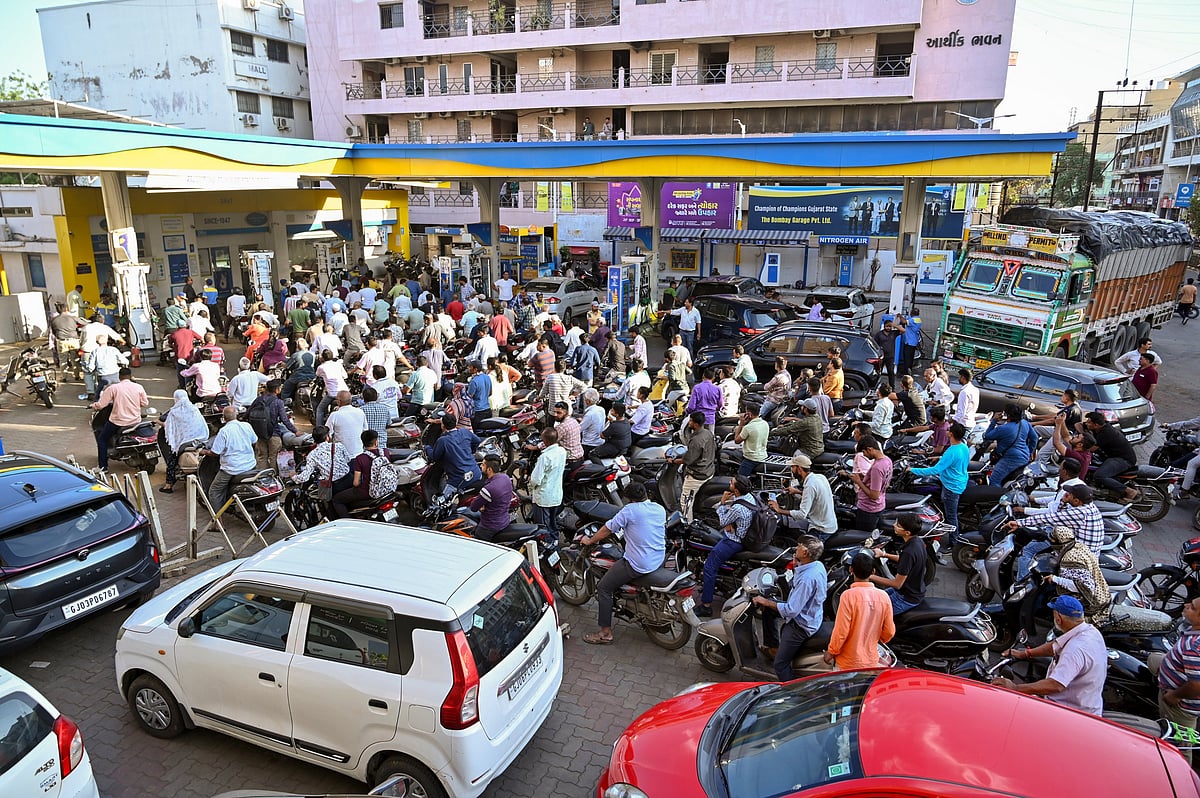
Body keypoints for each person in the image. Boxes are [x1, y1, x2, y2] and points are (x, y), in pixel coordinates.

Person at [581, 481, 667, 645]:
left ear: (630, 499)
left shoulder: (630, 510)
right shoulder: (659, 508)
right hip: (658, 558)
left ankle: (605, 633)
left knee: (604, 588)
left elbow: (608, 529)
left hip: (639, 563)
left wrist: (590, 540)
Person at [993, 595, 1107, 717]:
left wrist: (1015, 688)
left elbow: (1056, 685)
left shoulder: (1074, 650)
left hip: (1068, 713)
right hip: (1088, 706)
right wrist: (1025, 654)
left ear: (1058, 618)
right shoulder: (1090, 632)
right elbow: (1055, 645)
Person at [752, 536, 828, 681]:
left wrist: (766, 601)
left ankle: (791, 690)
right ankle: (773, 648)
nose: (796, 548)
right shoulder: (817, 565)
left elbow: (791, 610)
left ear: (805, 553)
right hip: (809, 612)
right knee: (769, 611)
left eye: (799, 546)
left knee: (780, 665)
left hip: (801, 624)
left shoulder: (807, 579)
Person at [824, 550, 896, 670]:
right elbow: (889, 631)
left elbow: (841, 632)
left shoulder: (848, 596)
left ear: (851, 570)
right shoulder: (883, 596)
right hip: (871, 660)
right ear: (873, 571)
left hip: (847, 662)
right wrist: (873, 639)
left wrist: (831, 653)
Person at [697, 475, 756, 617]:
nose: (729, 483)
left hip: (733, 541)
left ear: (736, 490)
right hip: (742, 534)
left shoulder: (738, 507)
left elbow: (723, 521)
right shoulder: (749, 498)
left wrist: (722, 503)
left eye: (732, 483)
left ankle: (706, 605)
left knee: (709, 567)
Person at [1153, 596, 1200, 762]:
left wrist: (1174, 696)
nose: (1186, 605)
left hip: (1182, 707)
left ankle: (1179, 776)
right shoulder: (1192, 632)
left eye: (1192, 607)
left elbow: (1196, 685)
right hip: (1175, 682)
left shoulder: (1194, 645)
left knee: (1180, 744)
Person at [910, 421, 969, 543]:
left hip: (951, 487)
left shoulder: (952, 451)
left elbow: (935, 470)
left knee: (951, 516)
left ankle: (954, 542)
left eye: (948, 431)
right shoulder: (963, 446)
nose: (946, 431)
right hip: (959, 481)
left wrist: (912, 470)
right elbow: (954, 461)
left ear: (950, 434)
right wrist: (939, 458)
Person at [1011, 482, 1104, 556]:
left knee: (1027, 551)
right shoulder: (1092, 508)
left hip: (1079, 558)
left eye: (1070, 494)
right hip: (1082, 552)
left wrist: (1019, 523)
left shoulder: (1081, 513)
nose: (1067, 494)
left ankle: (1022, 579)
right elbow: (1061, 517)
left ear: (1076, 501)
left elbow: (1050, 518)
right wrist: (1063, 502)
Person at [90, 368, 149, 470]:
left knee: (102, 439)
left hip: (118, 421)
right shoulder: (139, 387)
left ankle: (103, 467)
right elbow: (145, 403)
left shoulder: (113, 388)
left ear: (119, 377)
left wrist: (93, 405)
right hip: (135, 421)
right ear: (130, 376)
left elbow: (101, 405)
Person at [869, 514, 927, 615]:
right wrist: (883, 554)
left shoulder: (909, 552)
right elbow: (904, 560)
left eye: (898, 525)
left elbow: (897, 584)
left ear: (907, 533)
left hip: (905, 597)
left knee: (874, 614)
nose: (894, 525)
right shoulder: (918, 541)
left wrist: (869, 576)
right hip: (910, 590)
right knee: (875, 597)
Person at [202, 406, 259, 511]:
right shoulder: (247, 426)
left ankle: (218, 522)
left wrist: (204, 452)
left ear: (223, 418)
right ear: (236, 415)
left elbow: (215, 452)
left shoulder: (224, 431)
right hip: (250, 465)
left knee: (214, 491)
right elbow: (254, 441)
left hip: (231, 469)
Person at [768, 453, 837, 536]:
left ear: (799, 469)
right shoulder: (820, 477)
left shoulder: (810, 485)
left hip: (821, 530)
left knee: (801, 547)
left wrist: (779, 510)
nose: (792, 470)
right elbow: (816, 494)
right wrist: (797, 492)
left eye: (793, 467)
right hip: (830, 524)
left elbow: (801, 515)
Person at [158, 389, 210, 493]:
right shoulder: (194, 409)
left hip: (185, 442)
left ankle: (168, 485)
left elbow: (169, 427)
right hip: (200, 439)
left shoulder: (174, 412)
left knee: (172, 457)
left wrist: (158, 422)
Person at [1084, 410, 1140, 502]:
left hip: (1123, 459)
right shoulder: (1100, 427)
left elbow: (1092, 448)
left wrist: (1075, 446)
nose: (1087, 424)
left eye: (1089, 422)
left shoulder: (1106, 433)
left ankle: (1130, 491)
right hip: (1112, 456)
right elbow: (1078, 425)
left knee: (1099, 475)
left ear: (1096, 425)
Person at [843, 436, 892, 531]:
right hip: (880, 505)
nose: (864, 456)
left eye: (864, 452)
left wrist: (858, 482)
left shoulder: (877, 467)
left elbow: (874, 495)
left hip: (868, 509)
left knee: (864, 536)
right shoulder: (887, 461)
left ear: (870, 449)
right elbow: (886, 484)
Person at [427, 414, 482, 498]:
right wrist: (470, 451)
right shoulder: (465, 432)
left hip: (459, 479)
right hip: (476, 473)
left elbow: (434, 457)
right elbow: (477, 441)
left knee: (442, 503)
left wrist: (427, 448)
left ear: (443, 426)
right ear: (456, 423)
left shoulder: (443, 440)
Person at [983, 403, 1038, 486]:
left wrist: (994, 420)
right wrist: (1029, 451)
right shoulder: (1025, 423)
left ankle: (996, 497)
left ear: (1007, 415)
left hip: (1010, 459)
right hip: (1025, 457)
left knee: (994, 480)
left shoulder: (1003, 428)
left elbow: (987, 436)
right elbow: (1034, 438)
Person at [250, 378, 300, 469]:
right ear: (277, 389)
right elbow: (284, 419)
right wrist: (295, 431)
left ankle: (263, 478)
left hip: (260, 434)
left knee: (262, 457)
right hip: (274, 434)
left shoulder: (258, 399)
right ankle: (274, 478)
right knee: (274, 457)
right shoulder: (278, 402)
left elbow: (247, 414)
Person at [676, 411, 717, 521]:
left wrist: (674, 461)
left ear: (696, 424)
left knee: (685, 501)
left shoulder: (696, 440)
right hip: (709, 470)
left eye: (690, 421)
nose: (689, 422)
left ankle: (687, 523)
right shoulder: (708, 433)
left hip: (697, 475)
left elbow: (688, 460)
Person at [529, 426, 566, 544]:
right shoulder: (562, 451)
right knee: (552, 522)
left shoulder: (545, 457)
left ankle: (549, 546)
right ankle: (555, 541)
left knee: (544, 526)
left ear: (544, 441)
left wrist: (531, 484)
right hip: (556, 495)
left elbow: (535, 480)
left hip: (543, 498)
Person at [85, 334, 130, 401]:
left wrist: (89, 368)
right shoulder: (113, 349)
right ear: (107, 341)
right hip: (115, 375)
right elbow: (124, 361)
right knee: (120, 392)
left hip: (103, 376)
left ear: (97, 342)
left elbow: (91, 367)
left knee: (99, 396)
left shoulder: (95, 352)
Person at [327, 390, 369, 458]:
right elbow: (365, 430)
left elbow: (327, 434)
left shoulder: (334, 415)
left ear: (338, 401)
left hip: (341, 455)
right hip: (358, 452)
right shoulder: (360, 412)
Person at [733, 409, 768, 478]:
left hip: (751, 459)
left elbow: (736, 441)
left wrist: (741, 424)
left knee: (739, 480)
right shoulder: (765, 423)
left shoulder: (748, 428)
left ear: (749, 414)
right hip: (763, 455)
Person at [465, 359, 493, 428]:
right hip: (487, 409)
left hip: (478, 412)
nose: (468, 368)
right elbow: (490, 393)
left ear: (475, 369)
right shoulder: (487, 377)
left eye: (470, 367)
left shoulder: (474, 381)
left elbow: (469, 397)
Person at [579, 389, 606, 454]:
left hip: (589, 443)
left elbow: (579, 429)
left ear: (588, 401)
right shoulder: (601, 409)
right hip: (600, 441)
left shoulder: (590, 414)